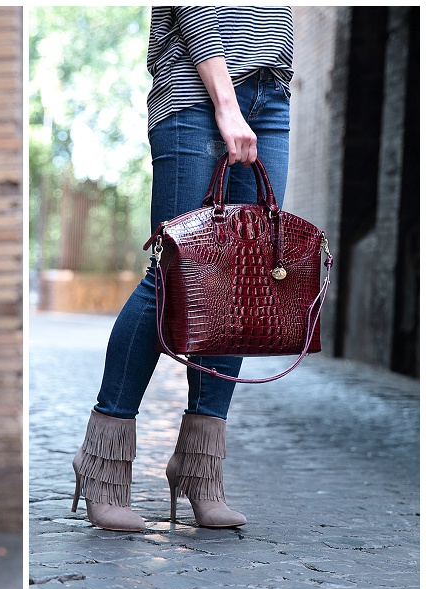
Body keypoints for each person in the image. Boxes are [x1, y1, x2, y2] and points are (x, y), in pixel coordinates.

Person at [72, 6, 294, 531]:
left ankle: (200, 472)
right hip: (196, 92)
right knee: (172, 274)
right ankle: (101, 464)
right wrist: (226, 104)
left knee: (239, 281)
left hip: (271, 94)